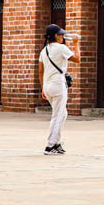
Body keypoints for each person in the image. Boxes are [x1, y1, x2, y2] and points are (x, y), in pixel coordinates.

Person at [40, 24, 75, 155]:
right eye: (60, 34)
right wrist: (76, 44)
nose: (62, 37)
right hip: (58, 85)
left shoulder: (44, 50)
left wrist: (43, 88)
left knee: (62, 113)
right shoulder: (61, 48)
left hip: (48, 85)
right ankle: (50, 145)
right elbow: (77, 59)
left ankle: (57, 142)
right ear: (56, 35)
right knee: (57, 115)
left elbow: (40, 71)